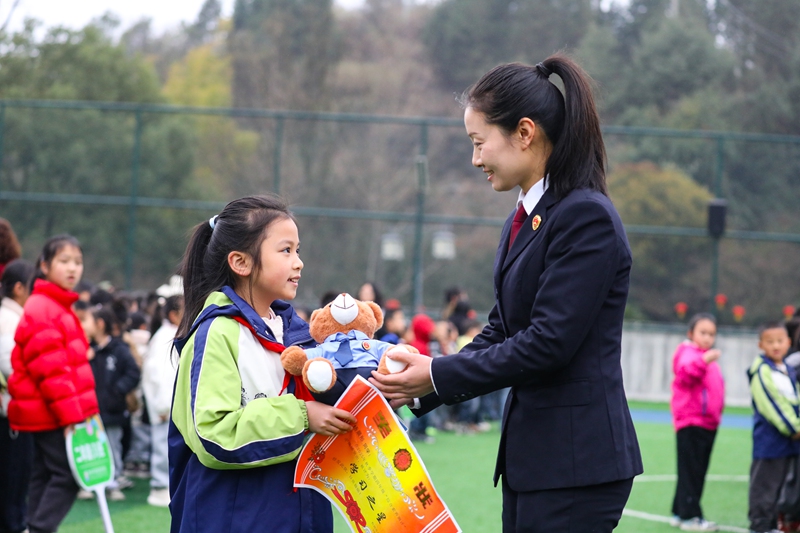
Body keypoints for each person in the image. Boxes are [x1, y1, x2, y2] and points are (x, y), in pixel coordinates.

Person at [370, 54, 643, 532]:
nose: (475, 159)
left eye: (479, 142)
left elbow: (547, 343)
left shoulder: (586, 217)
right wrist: (419, 386)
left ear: (524, 132)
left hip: (575, 466)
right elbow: (502, 328)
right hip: (537, 462)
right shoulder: (526, 216)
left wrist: (435, 373)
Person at [170, 195, 356, 533]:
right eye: (286, 251)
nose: (298, 262)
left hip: (299, 513)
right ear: (241, 262)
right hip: (235, 518)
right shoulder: (217, 332)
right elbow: (214, 434)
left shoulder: (298, 333)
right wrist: (302, 416)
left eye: (298, 251)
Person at [7, 235, 100, 533]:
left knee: (45, 474)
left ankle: (33, 527)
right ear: (44, 266)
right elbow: (52, 373)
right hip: (49, 413)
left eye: (78, 262)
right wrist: (74, 417)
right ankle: (39, 529)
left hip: (50, 412)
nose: (72, 268)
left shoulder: (56, 305)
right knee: (68, 475)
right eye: (64, 261)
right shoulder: (43, 308)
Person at [669, 313, 725, 531]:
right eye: (703, 333)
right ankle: (690, 516)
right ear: (690, 333)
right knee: (692, 471)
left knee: (693, 469)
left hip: (707, 423)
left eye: (712, 334)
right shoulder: (689, 354)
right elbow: (685, 373)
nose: (708, 338)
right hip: (692, 422)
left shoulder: (704, 356)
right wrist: (704, 361)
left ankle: (678, 511)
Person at [747, 321, 800, 533]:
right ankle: (760, 526)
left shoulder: (787, 369)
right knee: (764, 488)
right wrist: (794, 428)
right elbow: (772, 404)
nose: (776, 346)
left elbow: (793, 400)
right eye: (770, 342)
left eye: (780, 341)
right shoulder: (761, 370)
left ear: (788, 342)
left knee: (779, 486)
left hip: (788, 442)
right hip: (770, 442)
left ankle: (771, 526)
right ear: (761, 345)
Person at [87, 306, 141, 501]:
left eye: (88, 321)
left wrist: (117, 391)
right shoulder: (87, 350)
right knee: (91, 447)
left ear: (100, 324)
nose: (85, 325)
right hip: (89, 412)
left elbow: (133, 373)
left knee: (113, 447)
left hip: (112, 411)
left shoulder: (119, 349)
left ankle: (114, 482)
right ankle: (92, 484)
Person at [0, 259, 35, 533]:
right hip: (12, 416)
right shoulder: (8, 320)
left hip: (15, 414)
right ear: (19, 288)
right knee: (13, 484)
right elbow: (13, 367)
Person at [142, 294, 183, 507]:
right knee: (162, 444)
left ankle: (164, 485)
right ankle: (159, 486)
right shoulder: (166, 337)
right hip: (164, 403)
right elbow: (159, 375)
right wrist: (162, 404)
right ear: (173, 315)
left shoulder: (170, 334)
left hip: (169, 401)